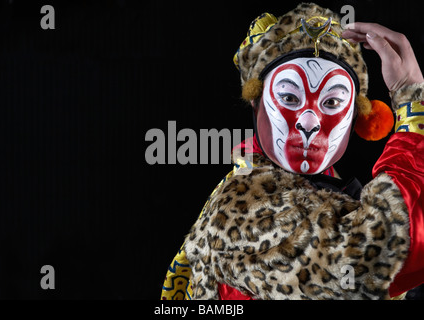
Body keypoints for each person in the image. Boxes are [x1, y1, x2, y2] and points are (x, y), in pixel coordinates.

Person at [161, 3, 424, 300]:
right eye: (288, 97)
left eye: (333, 103)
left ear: (356, 117)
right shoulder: (243, 206)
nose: (309, 121)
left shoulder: (328, 191)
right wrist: (412, 103)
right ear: (256, 102)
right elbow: (384, 251)